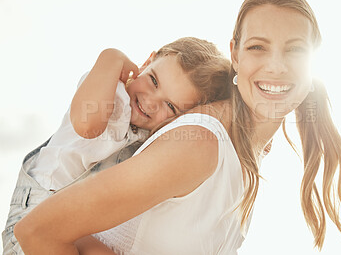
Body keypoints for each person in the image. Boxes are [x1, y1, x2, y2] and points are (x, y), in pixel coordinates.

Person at [13, 0, 341, 254]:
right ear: (235, 54)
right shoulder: (200, 143)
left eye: (295, 49)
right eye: (258, 47)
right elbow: (36, 232)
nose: (276, 65)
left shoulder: (245, 152)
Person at [2, 37, 232, 254]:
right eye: (153, 81)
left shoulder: (156, 139)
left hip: (74, 229)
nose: (151, 101)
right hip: (33, 214)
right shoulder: (111, 91)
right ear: (147, 61)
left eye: (170, 106)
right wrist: (110, 57)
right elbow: (87, 125)